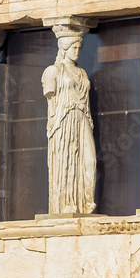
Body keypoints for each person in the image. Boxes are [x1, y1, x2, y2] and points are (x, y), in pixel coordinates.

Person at [42, 29, 96, 214]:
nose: (77, 51)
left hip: (82, 120)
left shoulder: (82, 72)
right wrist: (55, 130)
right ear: (64, 48)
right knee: (66, 162)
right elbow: (51, 105)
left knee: (90, 161)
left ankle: (85, 202)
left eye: (79, 47)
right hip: (63, 122)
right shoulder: (52, 71)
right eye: (74, 47)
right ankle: (65, 205)